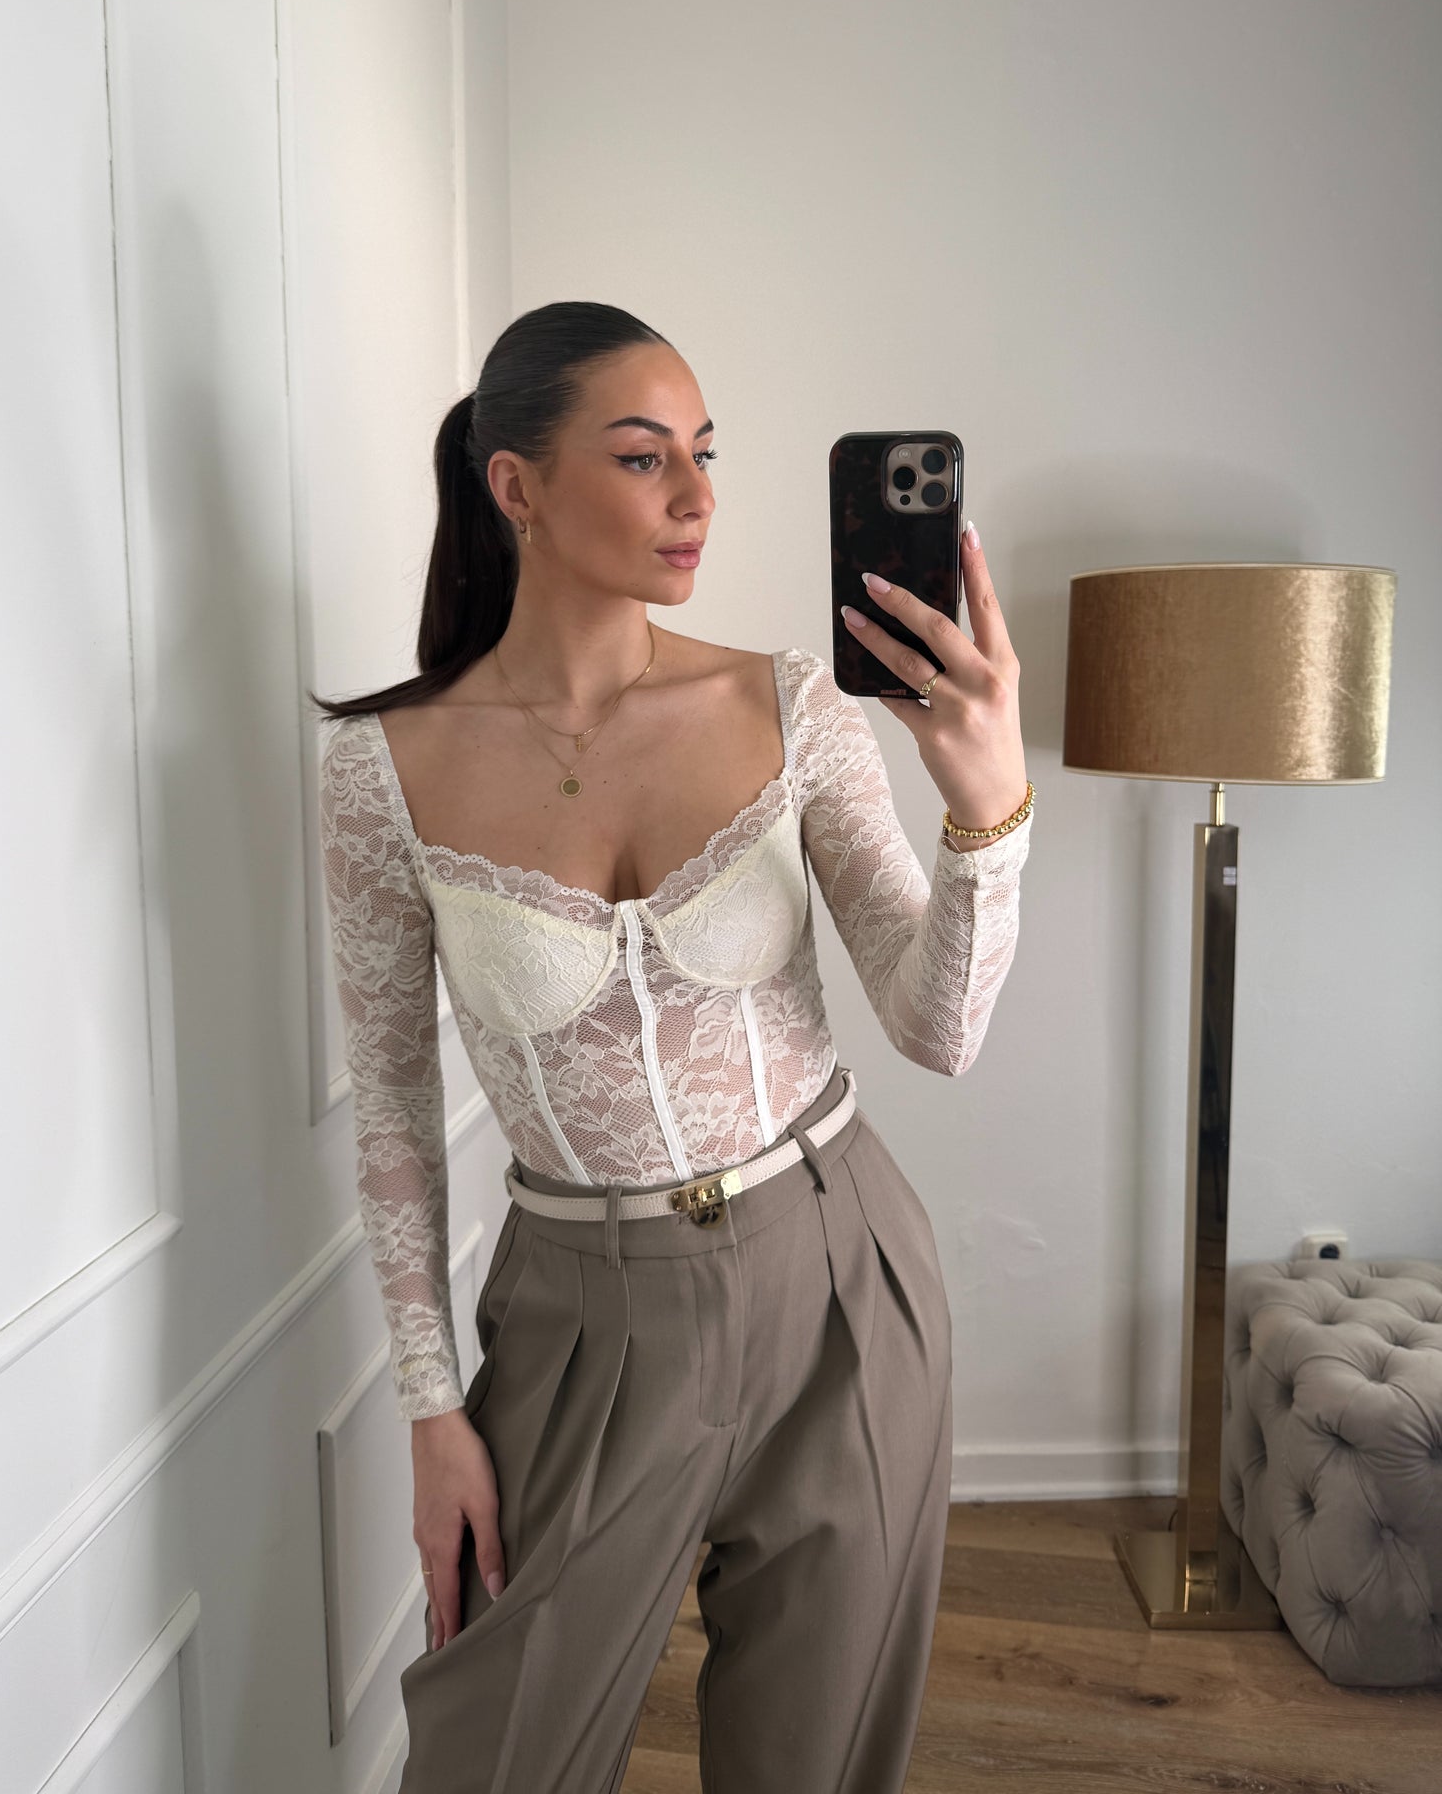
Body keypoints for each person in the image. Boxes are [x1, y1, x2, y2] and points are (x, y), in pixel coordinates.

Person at [311, 300, 1033, 1793]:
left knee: (812, 1764)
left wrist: (988, 812)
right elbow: (388, 1115)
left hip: (840, 1274)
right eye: (644, 459)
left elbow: (938, 1028)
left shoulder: (793, 707)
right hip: (582, 1312)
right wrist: (432, 1411)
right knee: (497, 1760)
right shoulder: (383, 771)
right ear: (516, 485)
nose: (697, 497)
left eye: (706, 454)